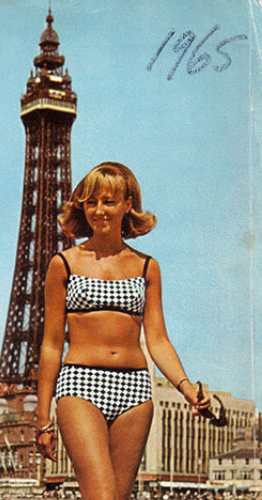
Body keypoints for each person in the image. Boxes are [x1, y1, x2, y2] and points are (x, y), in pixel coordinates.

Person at [35, 162, 210, 500]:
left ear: (127, 204)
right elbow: (52, 344)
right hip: (80, 384)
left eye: (109, 202)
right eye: (91, 202)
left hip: (135, 391)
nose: (99, 211)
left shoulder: (147, 266)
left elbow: (158, 340)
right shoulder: (64, 263)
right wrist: (43, 418)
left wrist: (186, 388)